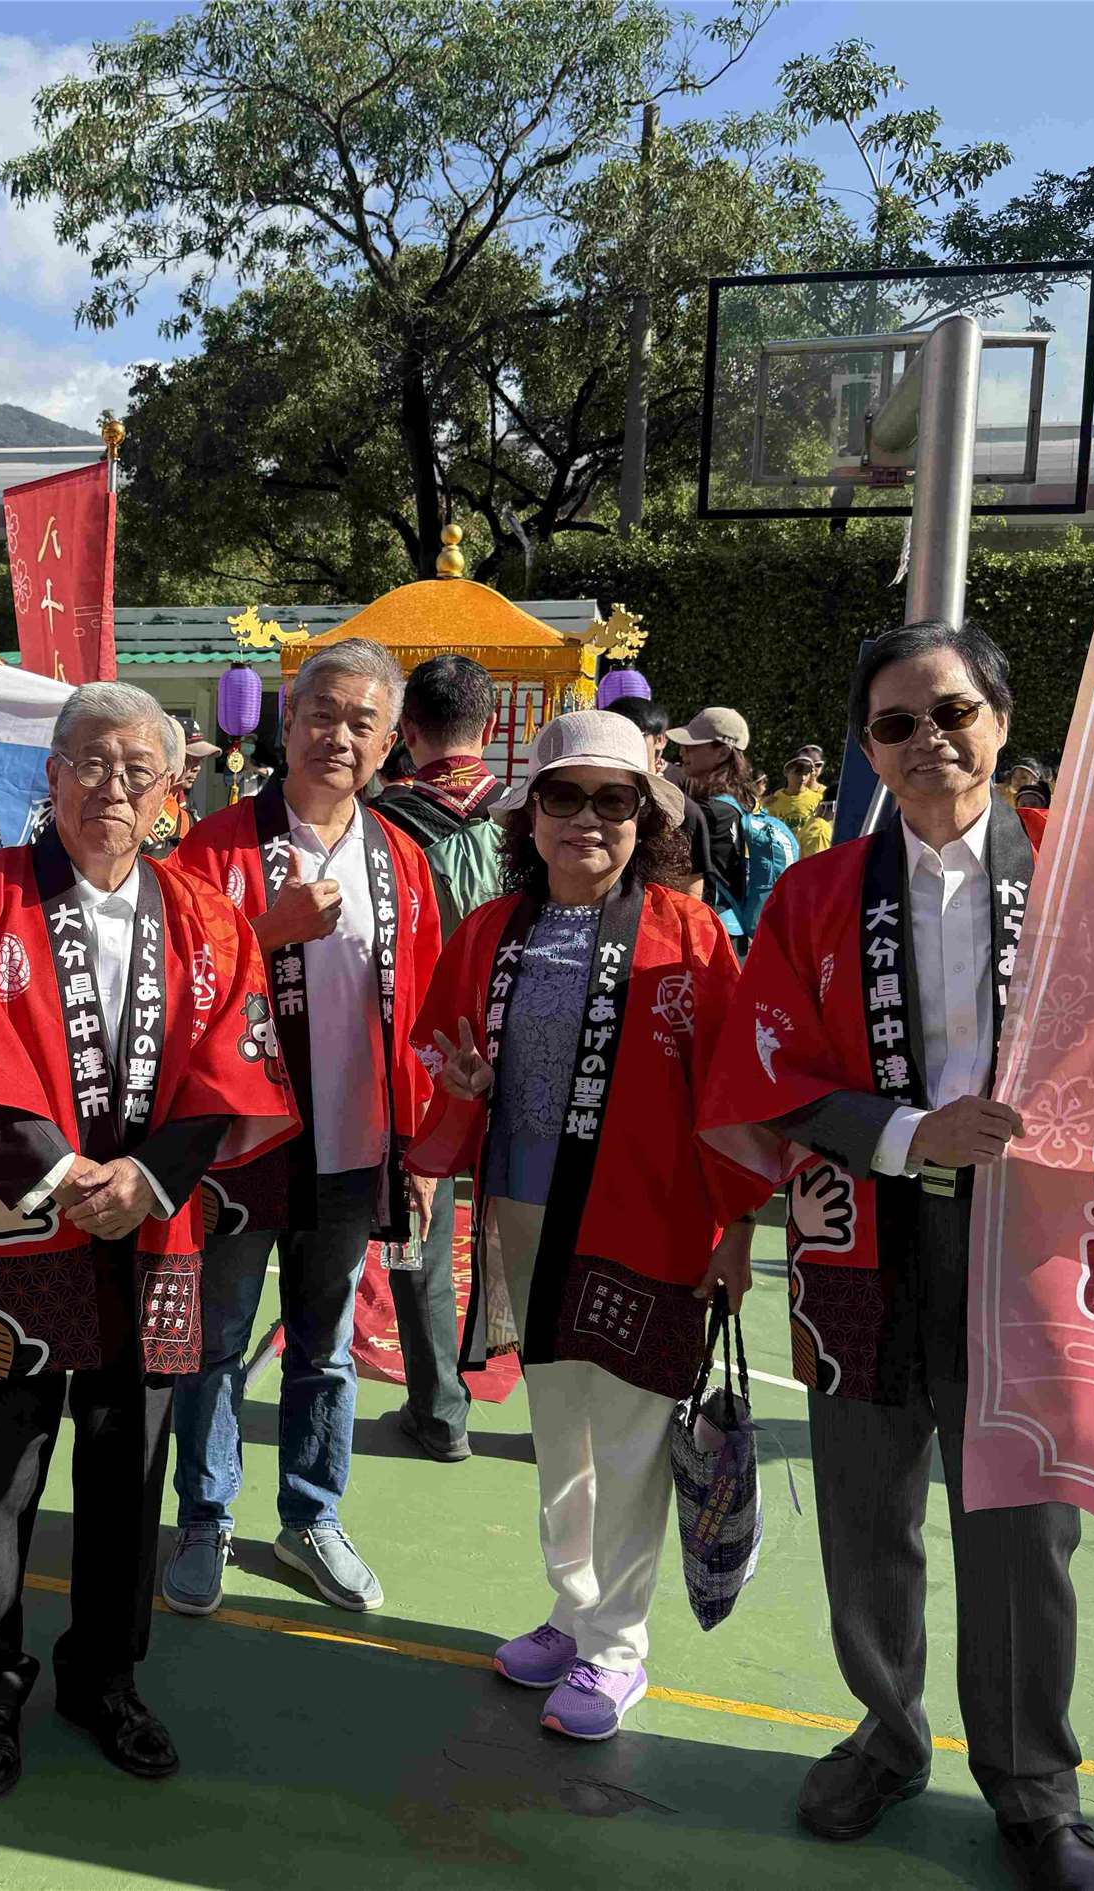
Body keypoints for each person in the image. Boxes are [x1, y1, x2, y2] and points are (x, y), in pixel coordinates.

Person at [701, 621, 1094, 1891]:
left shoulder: (1083, 872)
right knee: (866, 1511)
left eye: (950, 713)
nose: (928, 740)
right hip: (860, 1233)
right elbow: (763, 1066)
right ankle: (888, 1731)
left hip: (1027, 1246)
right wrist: (905, 1128)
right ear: (866, 748)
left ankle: (1036, 1788)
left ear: (998, 717)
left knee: (1020, 1527)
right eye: (894, 724)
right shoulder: (817, 894)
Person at [0, 680, 296, 1798]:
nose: (111, 788)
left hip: (153, 1227)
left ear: (173, 791)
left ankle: (105, 1677)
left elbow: (231, 1062)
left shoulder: (207, 916)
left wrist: (146, 1176)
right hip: (12, 1224)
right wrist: (66, 1173)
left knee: (131, 1470)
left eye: (138, 771)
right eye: (89, 762)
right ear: (51, 774)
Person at [412, 710, 766, 1740]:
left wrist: (737, 1228)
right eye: (562, 797)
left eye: (613, 799)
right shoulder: (490, 930)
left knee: (630, 1440)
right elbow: (441, 1042)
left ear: (644, 819)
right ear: (530, 817)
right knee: (557, 1431)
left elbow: (732, 1089)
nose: (585, 820)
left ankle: (617, 1646)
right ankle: (574, 1611)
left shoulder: (689, 933)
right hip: (523, 1215)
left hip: (648, 1221)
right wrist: (465, 1085)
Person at [165, 640, 443, 1614]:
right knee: (216, 1341)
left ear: (387, 743)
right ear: (288, 719)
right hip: (239, 1143)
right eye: (321, 713)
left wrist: (421, 1151)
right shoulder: (217, 847)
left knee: (323, 1345)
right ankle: (204, 1514)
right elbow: (166, 983)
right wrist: (263, 934)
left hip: (353, 1143)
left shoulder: (401, 861)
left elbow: (422, 1020)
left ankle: (310, 1516)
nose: (337, 735)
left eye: (361, 722)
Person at [365, 653, 507, 1466]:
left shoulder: (380, 824)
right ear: (489, 728)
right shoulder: (532, 818)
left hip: (420, 1047)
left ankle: (441, 1410)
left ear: (404, 732)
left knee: (422, 1218)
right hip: (521, 1043)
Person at [671, 707, 795, 952]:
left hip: (708, 930)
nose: (683, 751)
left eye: (693, 745)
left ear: (723, 753)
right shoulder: (742, 802)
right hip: (731, 925)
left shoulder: (709, 812)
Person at [600, 698, 710, 903]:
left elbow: (692, 883)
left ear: (660, 740)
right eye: (609, 734)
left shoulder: (684, 811)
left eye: (632, 734)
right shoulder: (586, 796)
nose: (618, 742)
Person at [142, 713, 220, 857]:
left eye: (200, 760)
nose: (198, 768)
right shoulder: (143, 804)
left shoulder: (185, 806)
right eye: (190, 759)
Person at [766, 745, 836, 858]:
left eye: (806, 773)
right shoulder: (773, 800)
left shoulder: (820, 799)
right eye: (798, 773)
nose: (803, 778)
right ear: (786, 772)